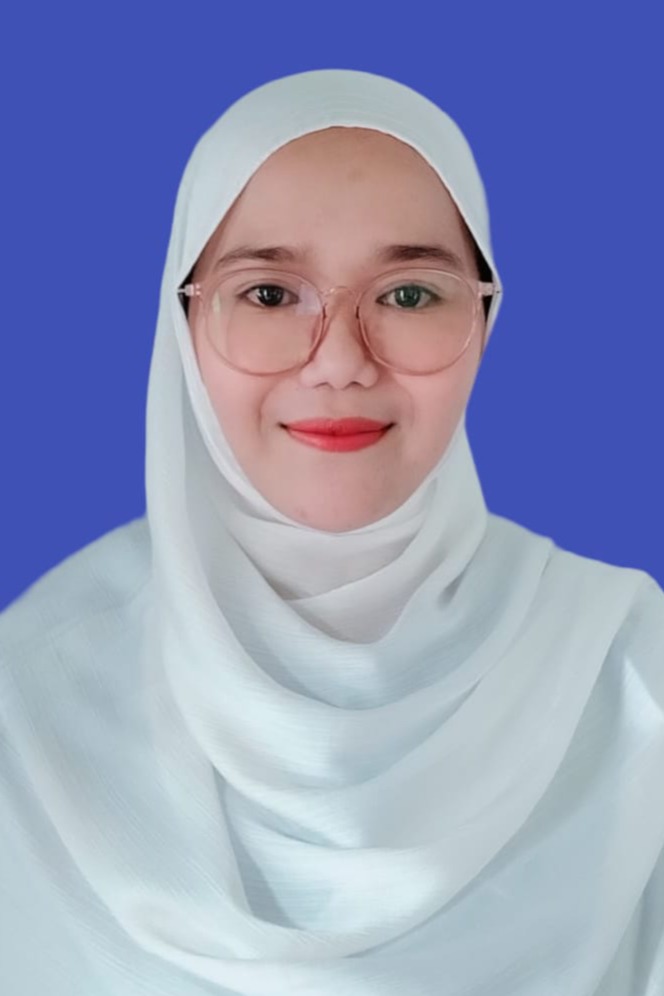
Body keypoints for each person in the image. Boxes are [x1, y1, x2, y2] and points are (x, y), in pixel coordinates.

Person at [1, 68, 662, 996]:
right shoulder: (26, 705)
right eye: (271, 295)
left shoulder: (628, 672)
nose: (342, 362)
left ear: (484, 321)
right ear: (184, 322)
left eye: (409, 295)